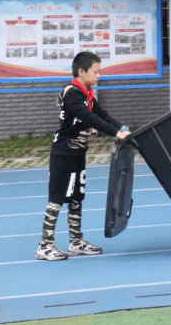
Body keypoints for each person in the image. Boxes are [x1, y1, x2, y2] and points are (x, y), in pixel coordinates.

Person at [36, 51, 131, 261]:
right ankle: (45, 245)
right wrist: (115, 133)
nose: (98, 76)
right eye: (95, 72)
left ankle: (76, 242)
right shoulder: (71, 93)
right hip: (63, 152)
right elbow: (87, 117)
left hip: (78, 152)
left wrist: (121, 127)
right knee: (57, 198)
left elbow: (101, 114)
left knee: (77, 197)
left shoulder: (86, 93)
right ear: (82, 71)